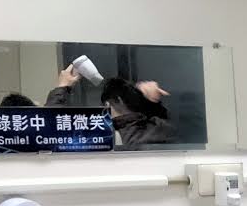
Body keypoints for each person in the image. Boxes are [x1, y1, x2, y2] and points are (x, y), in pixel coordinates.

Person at [46, 63, 175, 148]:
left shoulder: (103, 137)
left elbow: (51, 129)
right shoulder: (160, 128)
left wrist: (62, 86)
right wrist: (155, 102)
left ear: (110, 103)